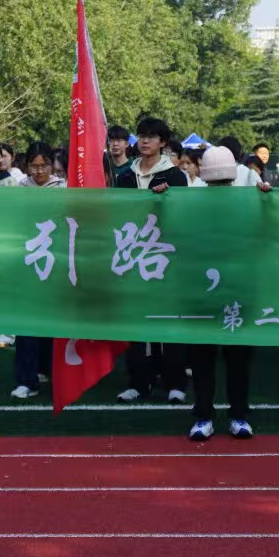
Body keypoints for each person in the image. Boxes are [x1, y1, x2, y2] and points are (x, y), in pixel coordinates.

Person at [114, 118, 191, 403]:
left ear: (163, 142)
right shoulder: (126, 176)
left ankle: (175, 382)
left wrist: (165, 199)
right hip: (133, 256)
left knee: (168, 322)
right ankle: (138, 381)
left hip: (165, 258)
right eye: (141, 136)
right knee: (135, 322)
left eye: (151, 136)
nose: (145, 141)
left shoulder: (174, 176)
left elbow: (182, 214)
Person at [187, 146, 261, 440]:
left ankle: (238, 415)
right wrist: (161, 196)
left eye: (223, 182)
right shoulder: (191, 205)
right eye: (214, 182)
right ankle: (204, 415)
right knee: (203, 359)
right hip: (204, 293)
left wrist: (269, 200)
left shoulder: (249, 204)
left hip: (237, 293)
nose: (219, 186)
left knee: (238, 360)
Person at [7, 143, 63, 400]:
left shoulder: (63, 189)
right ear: (26, 166)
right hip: (27, 265)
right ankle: (26, 380)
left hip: (55, 265)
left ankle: (50, 371)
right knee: (26, 324)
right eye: (34, 166)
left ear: (52, 165)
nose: (39, 171)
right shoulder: (19, 190)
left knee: (52, 325)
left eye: (44, 165)